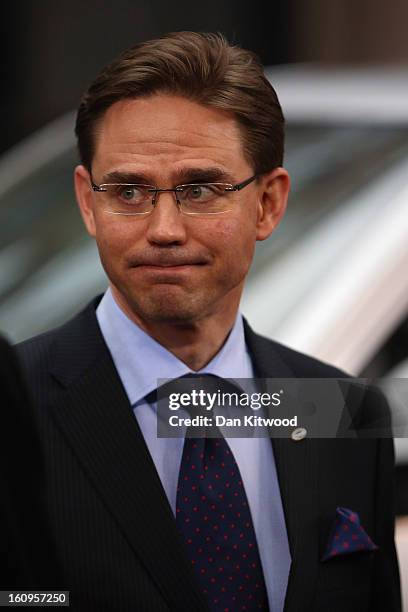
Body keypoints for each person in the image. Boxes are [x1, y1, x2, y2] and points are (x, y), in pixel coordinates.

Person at [16, 32, 400, 611]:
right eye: (128, 191)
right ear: (88, 203)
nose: (164, 228)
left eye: (199, 190)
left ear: (268, 204)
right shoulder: (12, 407)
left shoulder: (338, 409)